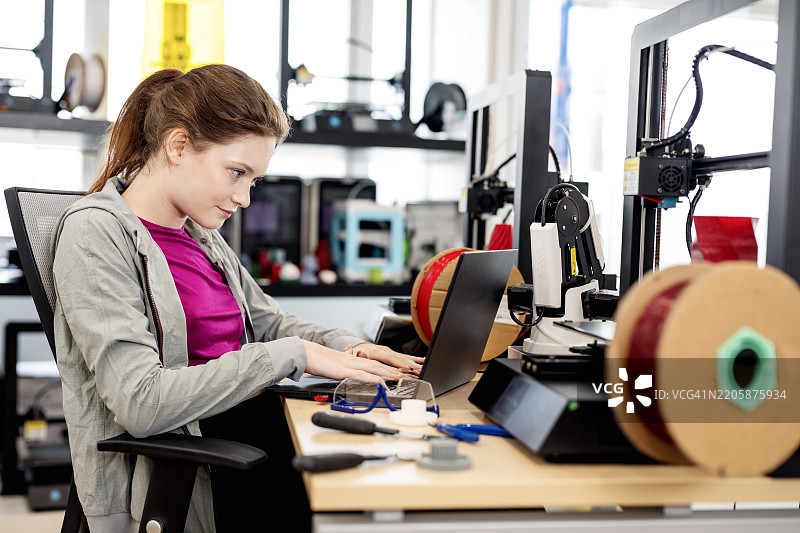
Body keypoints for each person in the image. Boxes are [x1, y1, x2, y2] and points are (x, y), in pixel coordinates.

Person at [51, 64, 424, 533]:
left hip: (245, 426)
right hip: (199, 459)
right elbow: (140, 402)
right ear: (179, 146)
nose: (245, 197)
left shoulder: (199, 233)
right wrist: (292, 356)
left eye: (254, 180)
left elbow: (269, 323)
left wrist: (345, 348)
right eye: (236, 173)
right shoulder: (94, 232)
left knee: (388, 467)